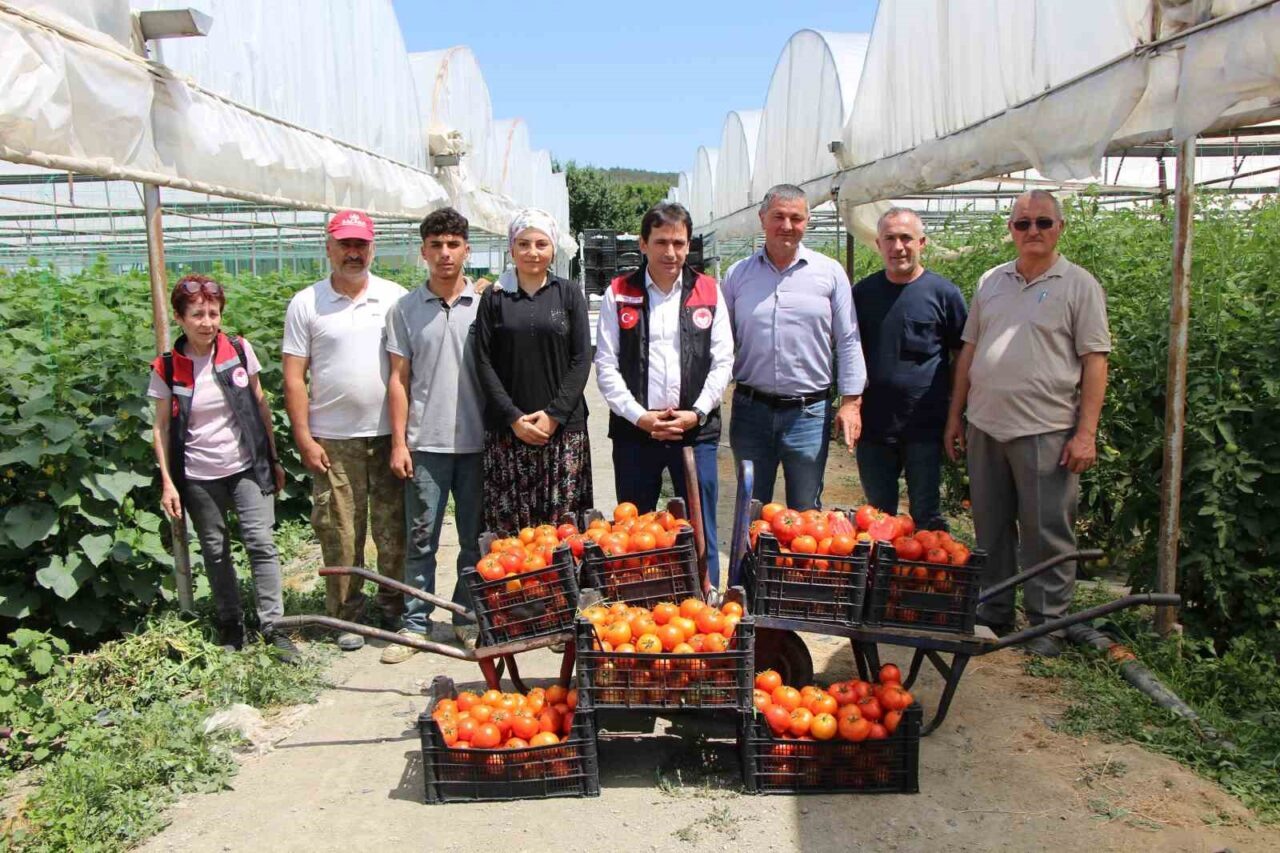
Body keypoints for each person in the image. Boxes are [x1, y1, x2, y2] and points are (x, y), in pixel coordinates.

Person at [943, 190, 1111, 657]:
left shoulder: (1078, 285)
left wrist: (1085, 433)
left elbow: (1094, 361)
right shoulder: (991, 281)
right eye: (1022, 224)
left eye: (1042, 222)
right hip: (987, 426)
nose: (1032, 231)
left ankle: (1047, 624)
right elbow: (970, 351)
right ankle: (993, 610)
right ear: (1010, 230)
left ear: (1060, 228)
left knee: (1047, 531)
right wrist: (956, 416)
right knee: (990, 526)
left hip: (1046, 429)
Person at [149, 274, 298, 664]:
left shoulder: (237, 350)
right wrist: (168, 482)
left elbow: (261, 404)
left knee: (261, 544)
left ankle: (274, 628)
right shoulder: (167, 366)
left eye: (213, 313)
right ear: (180, 318)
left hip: (245, 465)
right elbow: (161, 427)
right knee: (214, 551)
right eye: (197, 314)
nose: (207, 322)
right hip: (198, 474)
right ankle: (231, 625)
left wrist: (273, 457)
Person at [282, 210, 407, 651]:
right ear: (329, 247)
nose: (354, 253)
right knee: (339, 529)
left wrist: (402, 436)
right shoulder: (307, 303)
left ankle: (396, 608)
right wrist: (303, 436)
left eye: (361, 245)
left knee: (393, 529)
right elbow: (294, 376)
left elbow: (406, 372)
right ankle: (346, 616)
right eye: (345, 245)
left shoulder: (395, 298)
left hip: (387, 434)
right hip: (332, 438)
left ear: (372, 248)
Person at [594, 202, 733, 586]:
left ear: (689, 246)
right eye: (661, 242)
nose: (670, 253)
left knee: (699, 519)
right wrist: (639, 415)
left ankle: (706, 595)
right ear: (643, 244)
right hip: (636, 431)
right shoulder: (619, 292)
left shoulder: (709, 291)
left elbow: (723, 361)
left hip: (695, 431)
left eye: (679, 243)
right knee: (633, 526)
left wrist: (699, 411)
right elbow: (605, 365)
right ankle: (635, 598)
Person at [722, 184, 866, 510]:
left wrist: (851, 402)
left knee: (805, 514)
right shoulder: (738, 275)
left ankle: (798, 563)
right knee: (751, 510)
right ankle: (752, 564)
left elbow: (848, 339)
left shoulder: (829, 273)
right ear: (762, 219)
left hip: (809, 415)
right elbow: (721, 343)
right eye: (778, 217)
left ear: (807, 221)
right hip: (750, 412)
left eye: (796, 218)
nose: (787, 226)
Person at [381, 207, 482, 663]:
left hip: (479, 444)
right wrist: (400, 442)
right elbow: (398, 380)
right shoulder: (405, 309)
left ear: (466, 250)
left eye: (453, 244)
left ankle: (466, 619)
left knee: (474, 538)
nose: (445, 254)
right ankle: (415, 625)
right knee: (421, 537)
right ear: (423, 251)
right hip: (426, 445)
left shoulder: (485, 306)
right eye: (436, 245)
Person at [474, 208, 593, 532]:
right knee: (514, 537)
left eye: (541, 244)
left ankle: (567, 584)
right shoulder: (494, 298)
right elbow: (482, 360)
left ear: (553, 249)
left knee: (563, 532)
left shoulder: (568, 294)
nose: (532, 252)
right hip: (508, 434)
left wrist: (554, 415)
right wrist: (513, 417)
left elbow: (581, 359)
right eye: (524, 244)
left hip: (562, 434)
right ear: (512, 249)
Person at [853, 207, 967, 530]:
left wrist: (955, 415)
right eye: (890, 238)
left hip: (925, 428)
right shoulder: (863, 293)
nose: (898, 247)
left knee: (927, 515)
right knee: (877, 518)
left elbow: (962, 357)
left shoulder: (943, 294)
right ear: (878, 243)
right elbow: (849, 352)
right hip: (874, 427)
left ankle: (927, 579)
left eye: (906, 238)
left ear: (922, 243)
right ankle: (884, 579)